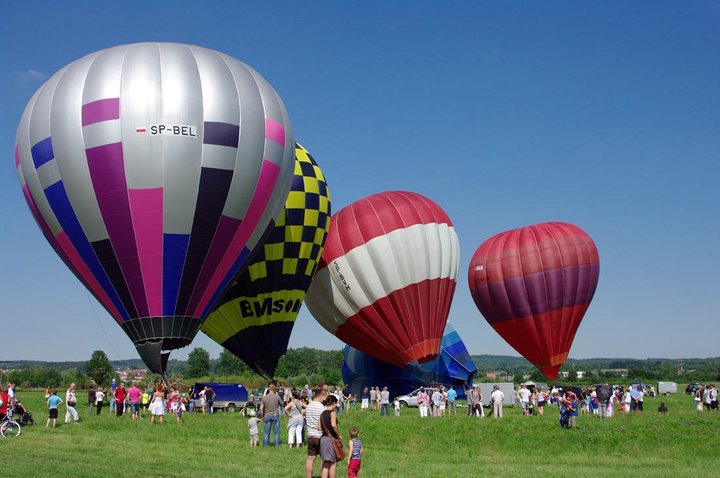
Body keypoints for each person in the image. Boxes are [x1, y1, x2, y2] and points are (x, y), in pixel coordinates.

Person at [306, 388, 328, 478]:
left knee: (310, 459)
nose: (325, 399)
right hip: (320, 436)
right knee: (323, 459)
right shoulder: (322, 408)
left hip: (310, 435)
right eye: (325, 397)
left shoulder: (308, 406)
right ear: (321, 396)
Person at [319, 394, 341, 478]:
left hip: (323, 439)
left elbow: (319, 427)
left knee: (325, 463)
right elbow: (334, 425)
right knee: (332, 463)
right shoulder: (333, 413)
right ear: (334, 403)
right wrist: (339, 435)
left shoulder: (322, 413)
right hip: (330, 439)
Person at [259, 383, 283, 447]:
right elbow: (282, 404)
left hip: (267, 415)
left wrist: (262, 417)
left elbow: (261, 409)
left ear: (269, 389)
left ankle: (265, 446)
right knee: (276, 432)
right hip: (275, 415)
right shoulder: (277, 397)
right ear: (274, 389)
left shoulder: (264, 398)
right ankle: (277, 446)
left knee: (266, 432)